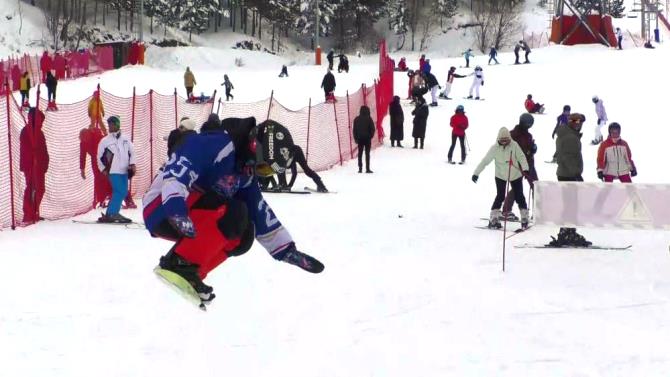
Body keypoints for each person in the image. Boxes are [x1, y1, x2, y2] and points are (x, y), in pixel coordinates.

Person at [142, 116, 324, 304]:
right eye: (263, 166)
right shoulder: (218, 144)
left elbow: (259, 211)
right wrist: (176, 209)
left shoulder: (245, 172)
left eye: (267, 172)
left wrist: (287, 250)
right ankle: (179, 263)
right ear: (255, 146)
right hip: (162, 206)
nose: (261, 173)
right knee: (235, 211)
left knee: (244, 235)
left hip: (188, 216)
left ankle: (190, 272)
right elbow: (179, 171)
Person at [472, 127, 532, 229]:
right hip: (500, 175)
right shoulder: (494, 148)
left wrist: (525, 169)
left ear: (509, 139)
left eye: (506, 140)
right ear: (498, 139)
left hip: (515, 174)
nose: (504, 142)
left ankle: (524, 218)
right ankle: (494, 219)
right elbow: (485, 161)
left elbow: (521, 157)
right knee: (500, 196)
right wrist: (476, 173)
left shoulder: (514, 145)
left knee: (519, 196)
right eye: (502, 140)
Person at [548, 113, 592, 247]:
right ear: (572, 123)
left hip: (566, 174)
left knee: (570, 205)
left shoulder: (566, 134)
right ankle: (566, 232)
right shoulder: (570, 137)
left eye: (581, 122)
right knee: (571, 205)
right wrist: (576, 174)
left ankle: (568, 231)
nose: (579, 125)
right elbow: (566, 157)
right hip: (568, 175)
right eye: (577, 122)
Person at [256, 119, 328, 192]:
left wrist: (290, 186)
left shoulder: (288, 160)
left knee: (306, 169)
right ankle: (282, 184)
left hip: (296, 151)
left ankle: (321, 185)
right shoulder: (283, 159)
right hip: (291, 151)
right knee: (279, 166)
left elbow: (294, 173)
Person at [96, 116, 136, 223]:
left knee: (122, 193)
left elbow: (132, 152)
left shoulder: (126, 139)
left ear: (118, 125)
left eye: (112, 124)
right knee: (120, 191)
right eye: (109, 125)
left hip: (124, 170)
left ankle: (113, 213)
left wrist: (132, 164)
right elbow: (99, 156)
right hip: (113, 171)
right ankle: (112, 213)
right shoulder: (105, 141)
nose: (110, 126)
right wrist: (103, 169)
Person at [502, 113, 538, 220]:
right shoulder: (513, 135)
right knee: (519, 188)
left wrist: (533, 149)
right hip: (518, 165)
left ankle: (537, 212)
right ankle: (506, 210)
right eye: (527, 124)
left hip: (529, 164)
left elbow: (529, 148)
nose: (528, 126)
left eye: (530, 124)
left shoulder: (528, 135)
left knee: (535, 186)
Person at [20, 108, 49, 223]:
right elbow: (27, 149)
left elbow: (43, 149)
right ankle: (28, 214)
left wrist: (45, 161)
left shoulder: (39, 132)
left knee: (40, 189)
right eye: (39, 119)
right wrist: (32, 161)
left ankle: (34, 211)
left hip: (40, 166)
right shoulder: (26, 131)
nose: (41, 122)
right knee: (31, 188)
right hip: (30, 165)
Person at [80, 120, 111, 209]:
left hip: (105, 157)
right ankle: (101, 200)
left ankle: (114, 196)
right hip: (95, 159)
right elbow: (82, 156)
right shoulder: (83, 143)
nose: (85, 140)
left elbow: (106, 141)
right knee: (98, 179)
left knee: (108, 178)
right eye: (83, 139)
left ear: (88, 135)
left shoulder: (96, 136)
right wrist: (82, 169)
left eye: (86, 138)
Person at [353, 105, 375, 173]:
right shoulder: (369, 118)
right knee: (367, 154)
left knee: (360, 154)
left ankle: (360, 168)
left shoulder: (356, 119)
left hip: (360, 139)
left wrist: (356, 138)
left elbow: (354, 130)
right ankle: (367, 169)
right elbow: (372, 129)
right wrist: (370, 136)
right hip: (367, 139)